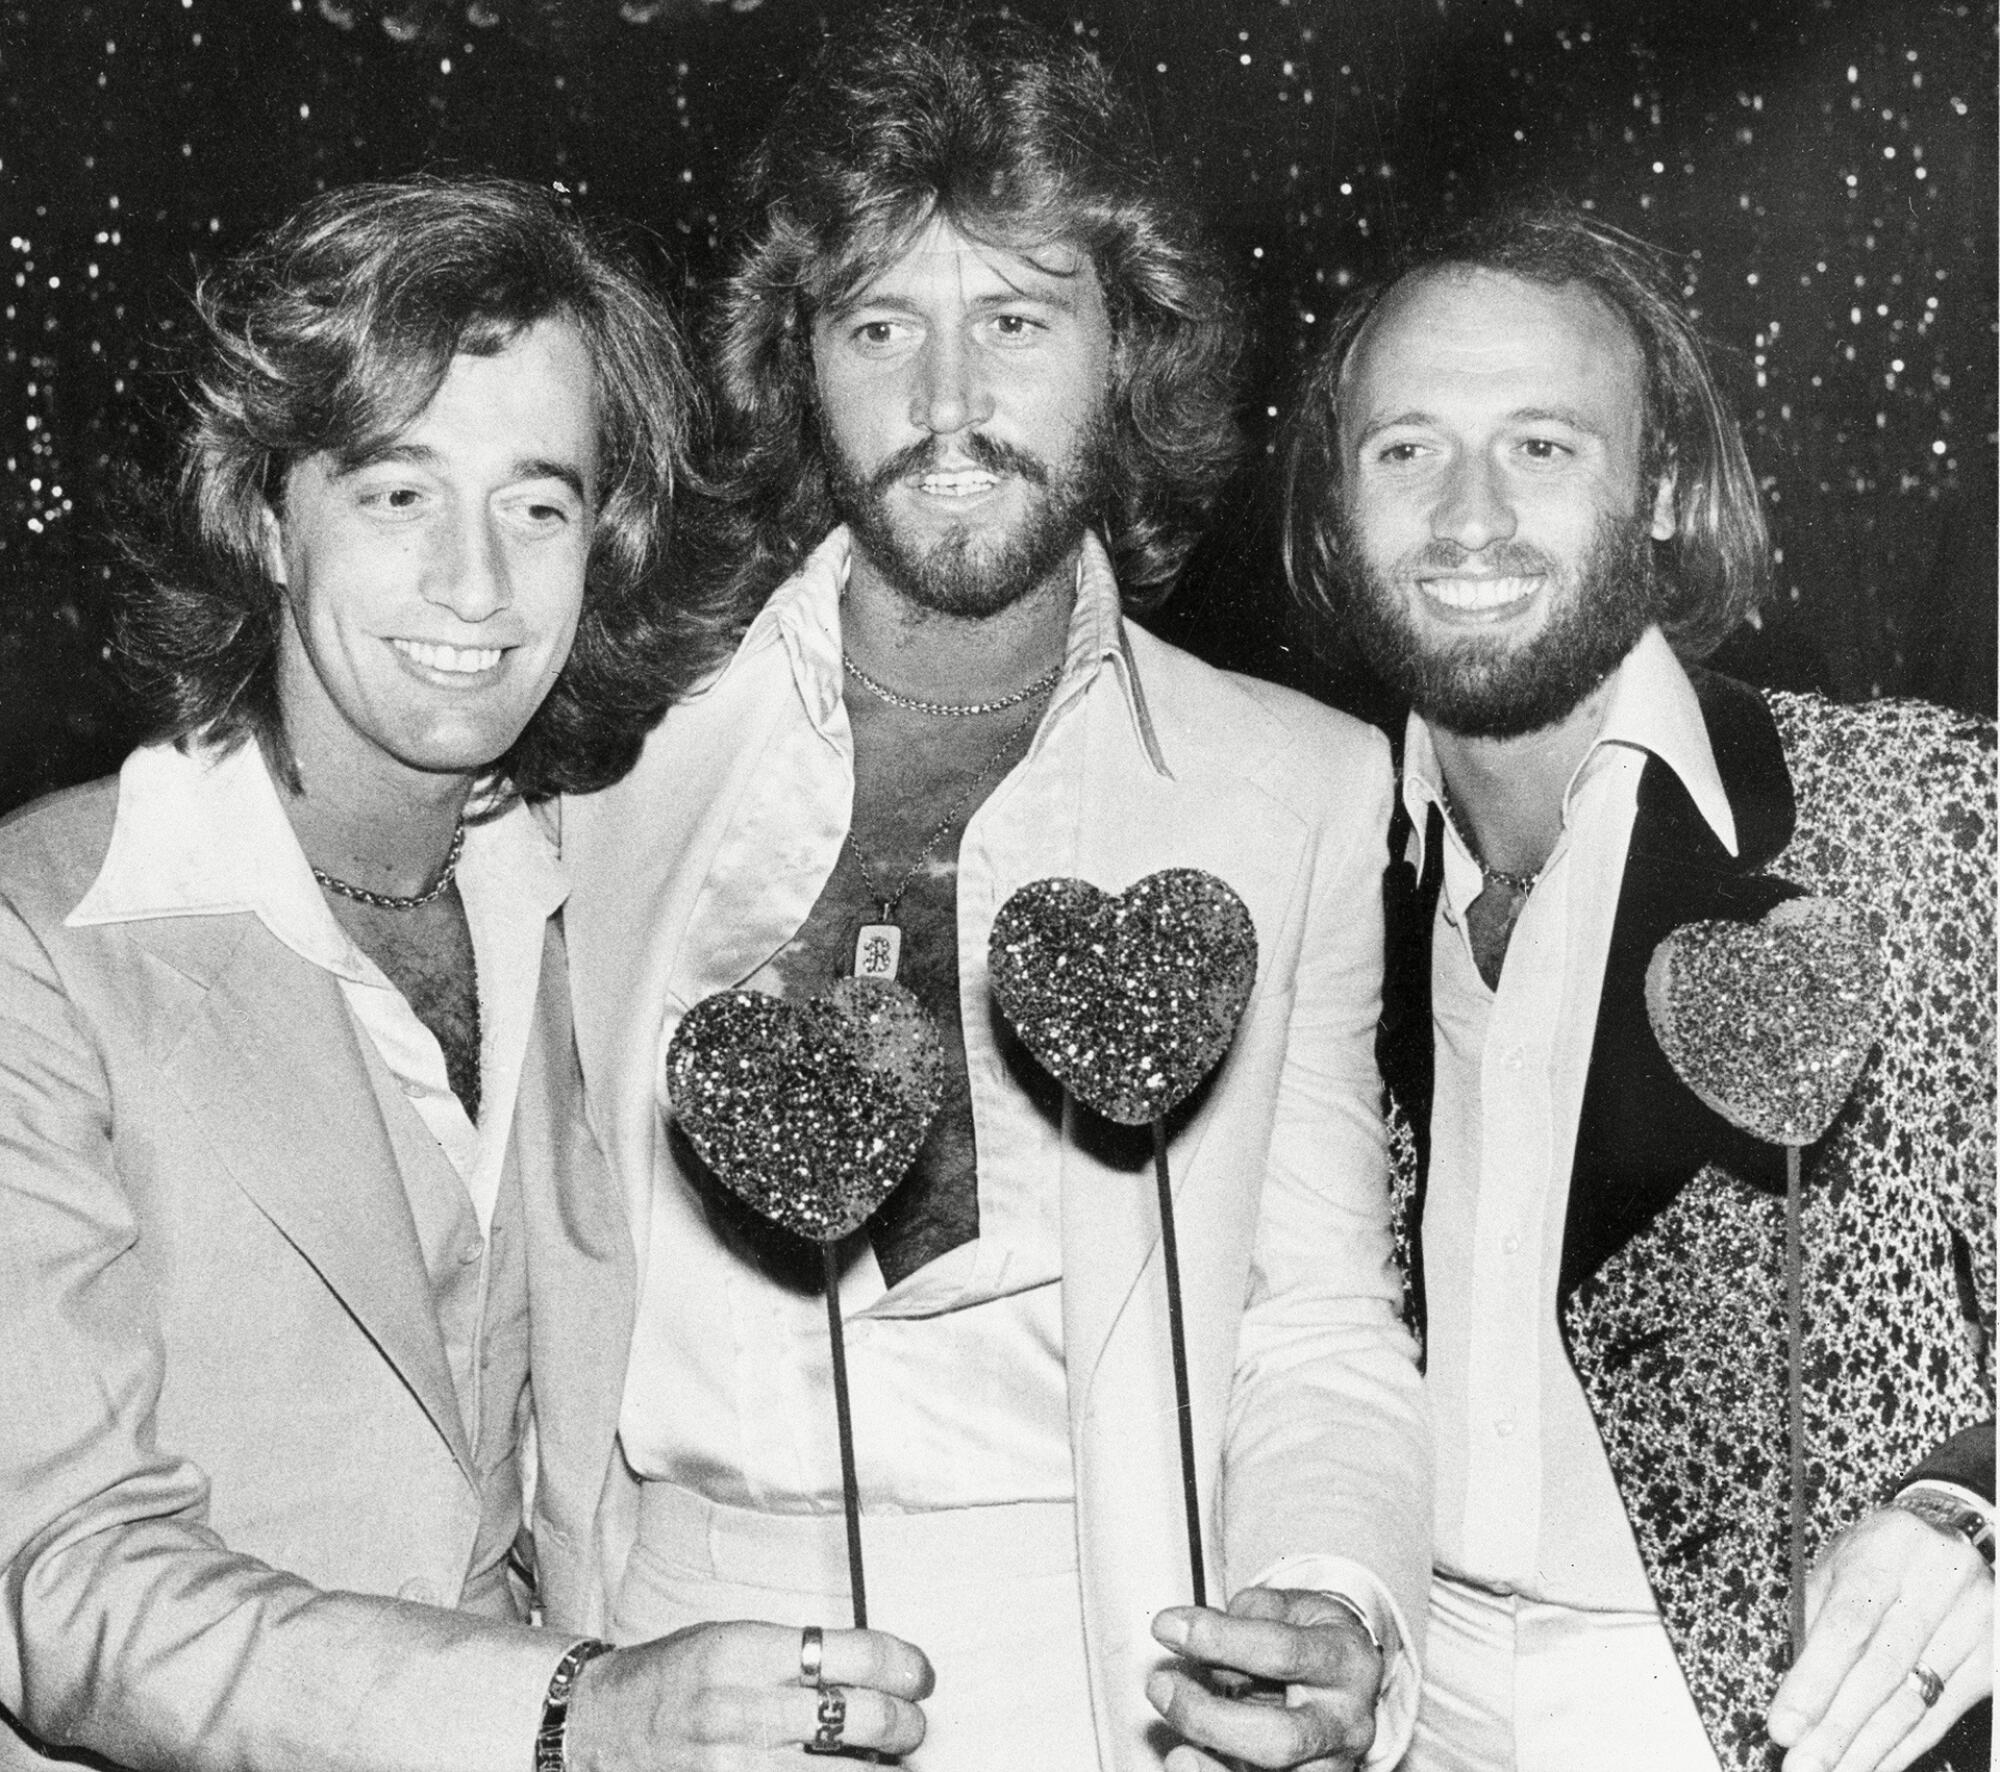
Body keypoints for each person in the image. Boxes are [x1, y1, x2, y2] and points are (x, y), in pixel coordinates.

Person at [559, 11, 1431, 1771]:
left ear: (1129, 354)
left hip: (1107, 1670)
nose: (948, 406)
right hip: (672, 1652)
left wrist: (1336, 1602)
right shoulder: (611, 745)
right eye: (883, 326)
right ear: (802, 362)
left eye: (1018, 322)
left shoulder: (1302, 788)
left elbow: (1321, 1317)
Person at [0, 174, 932, 1772]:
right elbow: (64, 1586)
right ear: (264, 515)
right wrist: (569, 1712)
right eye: (398, 494)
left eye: (539, 503)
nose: (478, 587)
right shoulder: (43, 937)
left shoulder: (582, 900)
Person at [1282, 199, 1994, 1772]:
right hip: (1401, 1718)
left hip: (1793, 1724)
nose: (1469, 516)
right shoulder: (1310, 854)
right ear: (1339, 507)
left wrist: (1976, 1519)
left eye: (1543, 445)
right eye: (1405, 450)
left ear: (1663, 488)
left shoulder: (1926, 815)